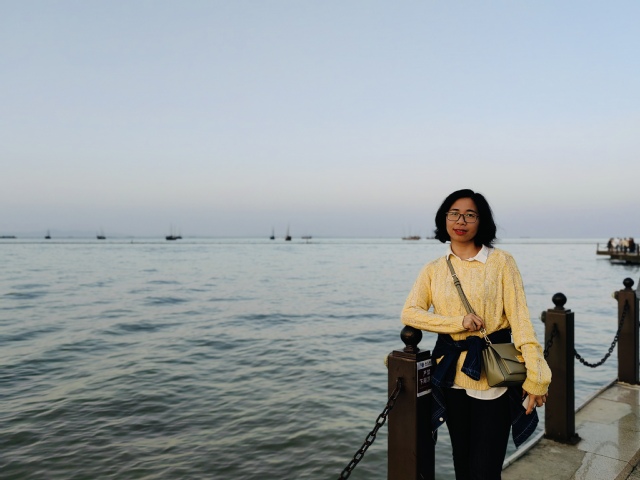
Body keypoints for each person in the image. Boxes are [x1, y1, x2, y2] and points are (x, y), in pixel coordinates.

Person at [401, 189, 551, 480]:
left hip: (493, 374)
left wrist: (537, 377)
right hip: (451, 377)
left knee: (485, 469)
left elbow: (521, 321)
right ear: (444, 218)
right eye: (454, 214)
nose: (461, 221)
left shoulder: (501, 262)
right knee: (462, 463)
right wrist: (458, 322)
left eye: (470, 215)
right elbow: (410, 312)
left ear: (481, 221)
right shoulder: (433, 269)